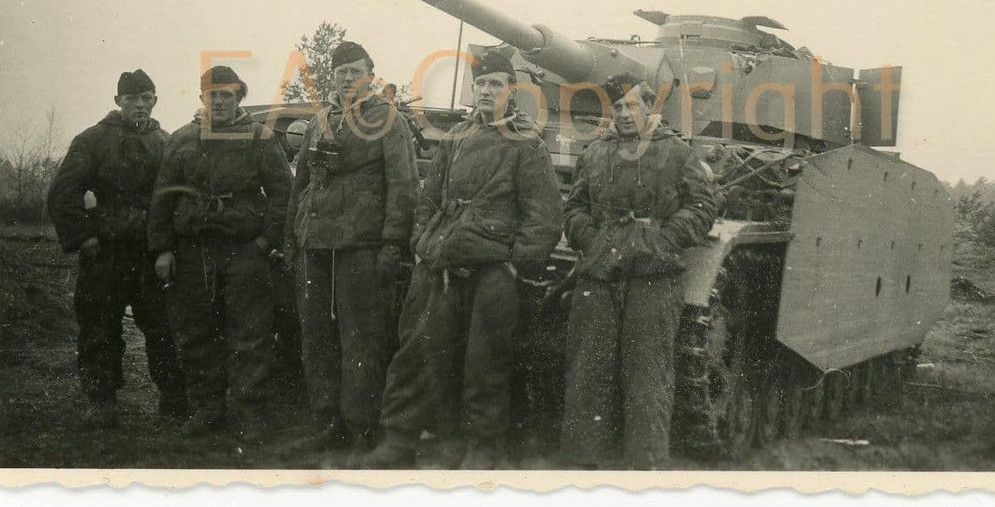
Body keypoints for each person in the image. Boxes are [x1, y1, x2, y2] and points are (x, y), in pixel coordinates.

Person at [357, 49, 563, 469]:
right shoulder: (457, 136)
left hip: (492, 271)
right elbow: (428, 198)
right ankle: (399, 437)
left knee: (485, 362)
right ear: (473, 89)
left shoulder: (527, 145)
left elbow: (544, 219)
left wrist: (511, 263)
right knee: (416, 351)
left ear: (511, 91)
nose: (487, 91)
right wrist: (422, 241)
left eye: (496, 85)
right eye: (482, 84)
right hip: (440, 261)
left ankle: (483, 446)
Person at [560, 73, 717, 469]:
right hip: (600, 270)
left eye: (631, 106)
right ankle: (584, 458)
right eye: (616, 107)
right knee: (588, 366)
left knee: (648, 372)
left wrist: (660, 243)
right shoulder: (595, 152)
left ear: (650, 108)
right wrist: (592, 241)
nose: (624, 114)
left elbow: (701, 207)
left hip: (654, 274)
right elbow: (575, 206)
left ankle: (643, 463)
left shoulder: (677, 152)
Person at [147, 65, 293, 443]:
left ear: (239, 97)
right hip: (193, 252)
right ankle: (206, 407)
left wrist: (265, 242)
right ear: (202, 99)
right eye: (213, 95)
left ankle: (249, 412)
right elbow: (162, 198)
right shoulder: (182, 139)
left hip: (245, 251)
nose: (220, 101)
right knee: (196, 332)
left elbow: (283, 195)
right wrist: (162, 249)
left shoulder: (261, 138)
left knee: (250, 333)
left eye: (227, 95)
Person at [284, 41, 419, 451]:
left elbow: (404, 187)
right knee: (316, 332)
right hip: (314, 243)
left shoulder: (388, 121)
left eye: (356, 71)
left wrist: (393, 244)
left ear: (371, 76)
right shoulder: (320, 121)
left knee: (362, 336)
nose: (348, 79)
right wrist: (291, 236)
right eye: (341, 72)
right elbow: (301, 183)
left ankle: (361, 422)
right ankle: (326, 417)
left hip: (361, 244)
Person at [46, 69, 186, 428]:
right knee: (99, 328)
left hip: (152, 252)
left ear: (155, 100)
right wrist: (85, 237)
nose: (139, 106)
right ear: (117, 102)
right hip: (105, 253)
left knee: (164, 326)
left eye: (146, 98)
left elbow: (177, 198)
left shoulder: (167, 143)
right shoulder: (92, 140)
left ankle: (174, 398)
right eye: (130, 100)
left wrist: (168, 246)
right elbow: (63, 193)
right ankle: (101, 401)